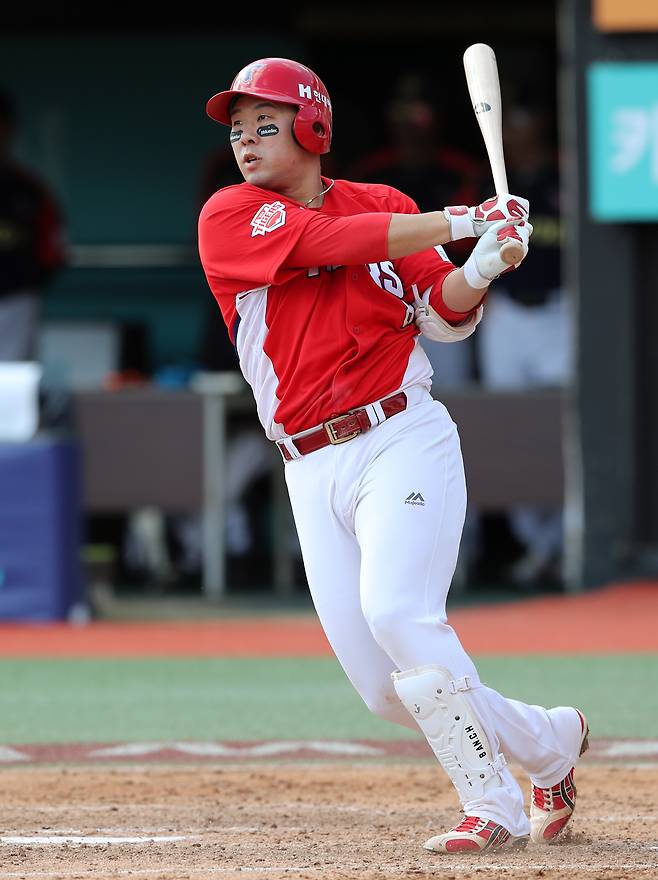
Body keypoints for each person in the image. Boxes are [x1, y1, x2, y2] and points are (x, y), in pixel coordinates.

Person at [197, 58, 587, 854]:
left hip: (400, 436)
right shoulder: (231, 214)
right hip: (308, 463)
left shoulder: (386, 204)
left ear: (314, 127)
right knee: (384, 690)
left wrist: (483, 265)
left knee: (400, 615)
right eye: (238, 130)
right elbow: (331, 241)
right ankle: (549, 740)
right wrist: (466, 222)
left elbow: (441, 314)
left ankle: (493, 804)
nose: (246, 142)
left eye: (265, 124)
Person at [476, 104, 568, 587]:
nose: (515, 133)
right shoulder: (490, 185)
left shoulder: (566, 176)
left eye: (522, 121)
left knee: (562, 425)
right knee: (508, 425)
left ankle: (562, 543)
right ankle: (535, 545)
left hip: (560, 310)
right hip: (506, 312)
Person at [0, 89, 66, 360]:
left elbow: (53, 251)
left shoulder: (28, 189)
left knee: (10, 378)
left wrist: (27, 282)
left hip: (14, 302)